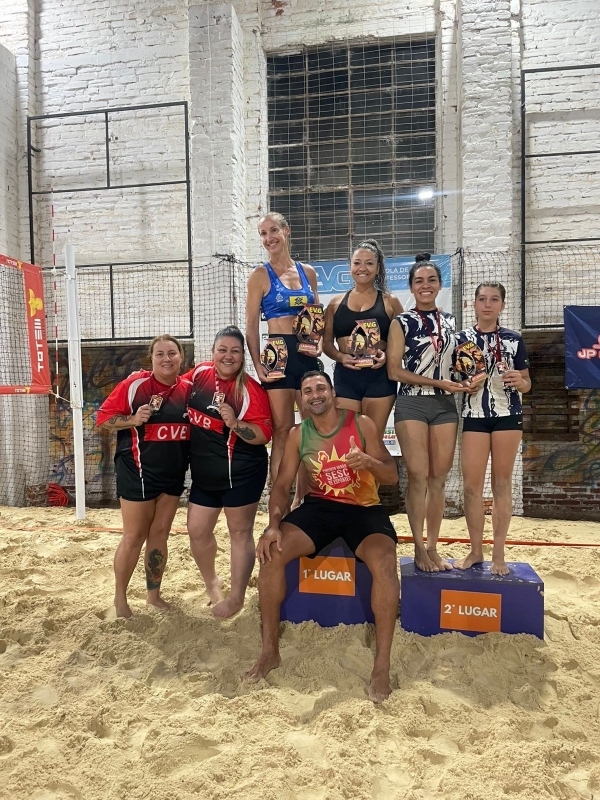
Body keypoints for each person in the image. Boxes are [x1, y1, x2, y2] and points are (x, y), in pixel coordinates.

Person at [245, 371, 399, 703]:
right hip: (321, 507)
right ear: (300, 399)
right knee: (272, 552)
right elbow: (282, 486)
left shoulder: (363, 424)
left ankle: (381, 667)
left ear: (332, 393)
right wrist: (273, 524)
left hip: (364, 509)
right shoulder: (300, 435)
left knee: (385, 563)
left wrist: (369, 461)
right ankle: (270, 652)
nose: (315, 394)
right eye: (307, 390)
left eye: (321, 388)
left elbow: (391, 477)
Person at [386, 254, 475, 573]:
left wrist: (468, 379)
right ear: (411, 286)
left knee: (439, 478)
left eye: (431, 280)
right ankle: (419, 549)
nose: (425, 285)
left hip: (444, 406)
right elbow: (394, 371)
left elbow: (457, 365)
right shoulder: (402, 322)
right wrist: (439, 381)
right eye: (419, 281)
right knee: (419, 477)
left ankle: (434, 547)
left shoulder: (451, 322)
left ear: (439, 285)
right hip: (411, 402)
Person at [96, 335, 191, 618]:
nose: (166, 359)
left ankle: (153, 595)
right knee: (134, 536)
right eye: (160, 354)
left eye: (172, 353)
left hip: (172, 473)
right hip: (137, 470)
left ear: (180, 357)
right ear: (151, 359)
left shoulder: (188, 389)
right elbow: (102, 419)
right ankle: (120, 599)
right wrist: (132, 420)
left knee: (160, 535)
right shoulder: (135, 386)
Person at [185, 326, 272, 618]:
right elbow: (171, 386)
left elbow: (264, 434)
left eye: (235, 351)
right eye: (222, 349)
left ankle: (236, 598)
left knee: (239, 532)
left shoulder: (250, 390)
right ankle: (213, 584)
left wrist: (235, 424)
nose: (228, 356)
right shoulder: (199, 375)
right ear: (213, 352)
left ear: (243, 357)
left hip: (242, 472)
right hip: (205, 474)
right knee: (196, 530)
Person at [454, 283, 531, 575]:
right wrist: (465, 384)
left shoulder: (514, 339)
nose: (487, 304)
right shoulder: (462, 339)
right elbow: (455, 378)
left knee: (501, 484)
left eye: (494, 299)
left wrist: (520, 381)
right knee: (472, 487)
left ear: (502, 305)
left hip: (507, 416)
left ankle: (498, 554)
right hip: (474, 415)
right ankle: (476, 551)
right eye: (482, 299)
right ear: (473, 304)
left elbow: (526, 382)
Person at [246, 212, 321, 499]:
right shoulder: (259, 275)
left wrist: (318, 344)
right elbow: (251, 325)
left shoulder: (308, 272)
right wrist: (257, 366)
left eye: (273, 230)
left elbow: (315, 317)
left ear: (286, 231)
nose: (268, 238)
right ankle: (278, 504)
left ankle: (305, 501)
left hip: (306, 354)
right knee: (282, 431)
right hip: (277, 353)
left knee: (310, 429)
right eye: (263, 234)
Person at [323, 239, 403, 438]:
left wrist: (386, 356)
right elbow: (326, 344)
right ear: (350, 266)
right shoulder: (334, 304)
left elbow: (404, 341)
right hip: (346, 377)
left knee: (373, 439)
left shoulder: (390, 302)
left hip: (379, 378)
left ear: (377, 268)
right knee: (347, 439)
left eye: (369, 263)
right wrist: (341, 357)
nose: (362, 268)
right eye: (357, 262)